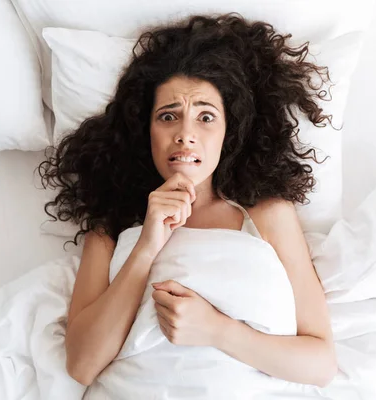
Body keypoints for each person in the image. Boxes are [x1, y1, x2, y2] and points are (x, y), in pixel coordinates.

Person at [39, 13, 337, 397]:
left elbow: (321, 363)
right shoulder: (111, 225)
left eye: (206, 117)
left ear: (229, 131)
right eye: (168, 116)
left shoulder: (267, 215)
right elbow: (81, 365)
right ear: (146, 129)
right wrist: (147, 245)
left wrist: (215, 329)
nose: (185, 135)